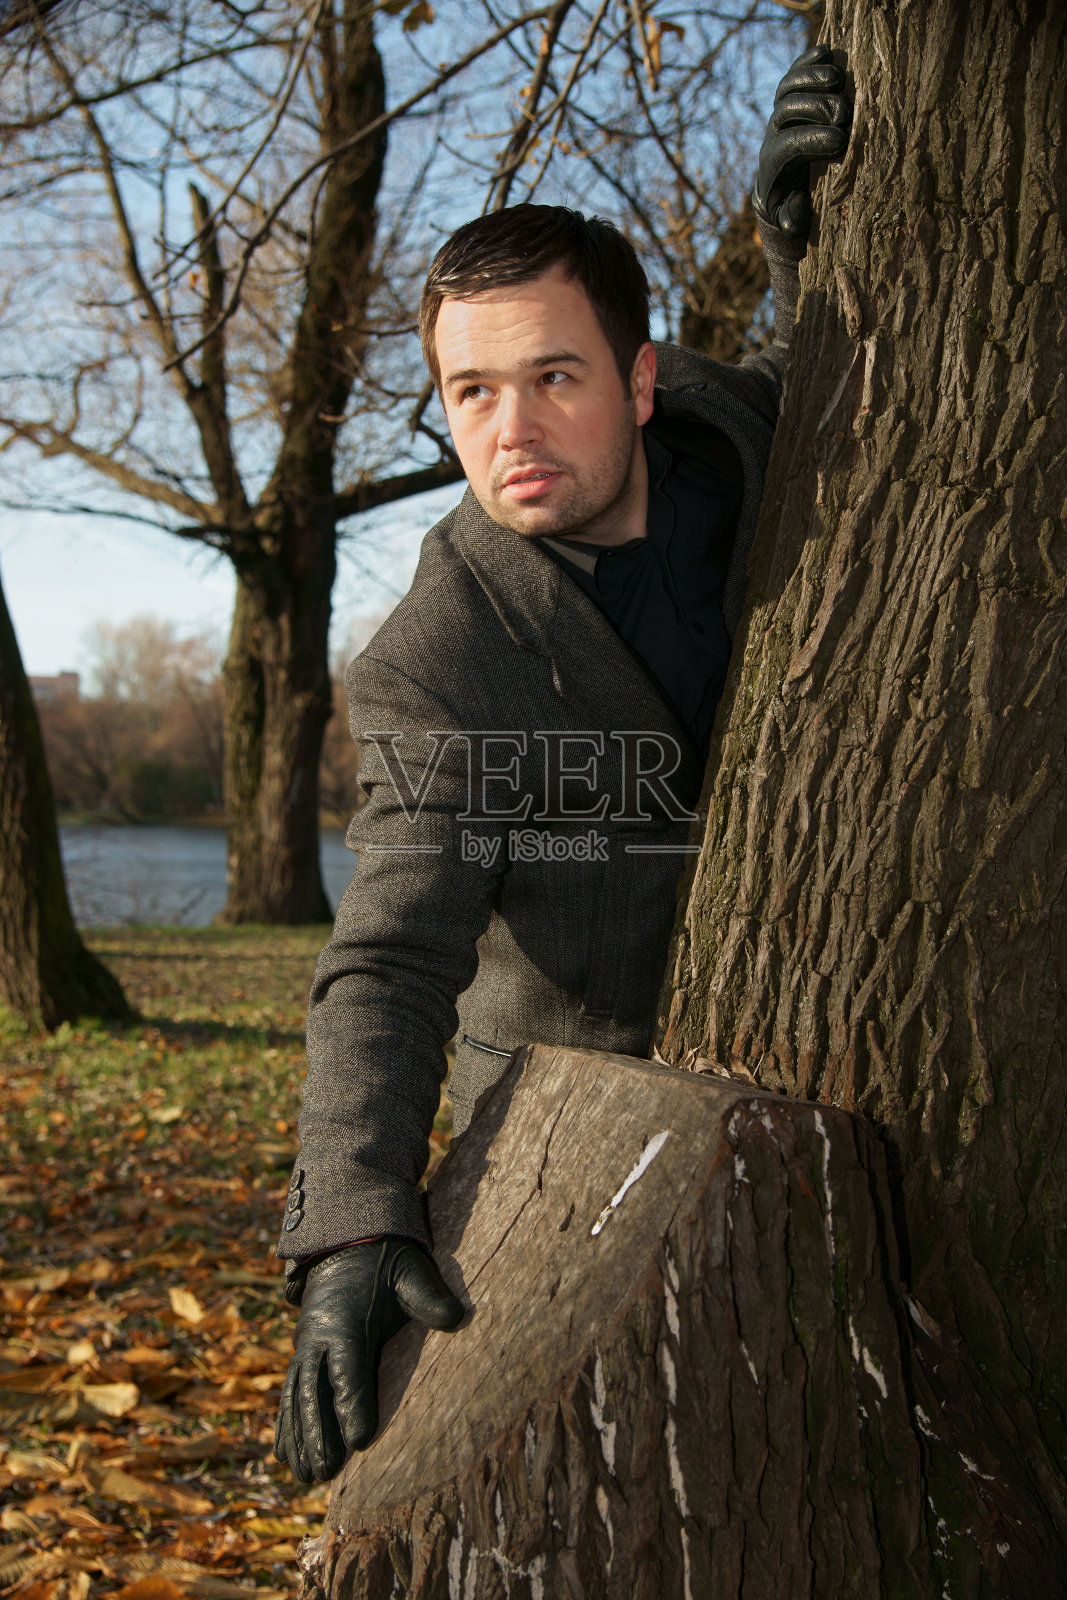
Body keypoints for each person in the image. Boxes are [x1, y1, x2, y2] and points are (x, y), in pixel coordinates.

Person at [273, 45, 851, 1485]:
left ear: (642, 380)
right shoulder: (436, 657)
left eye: (553, 377)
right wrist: (352, 1217)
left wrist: (814, 248)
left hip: (837, 1050)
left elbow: (841, 386)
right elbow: (392, 953)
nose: (510, 431)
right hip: (576, 1116)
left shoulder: (739, 434)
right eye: (470, 392)